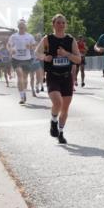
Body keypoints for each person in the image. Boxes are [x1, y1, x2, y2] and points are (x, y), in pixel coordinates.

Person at [35, 14, 82, 144]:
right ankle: (53, 121)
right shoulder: (47, 39)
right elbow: (36, 53)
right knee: (58, 103)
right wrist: (45, 57)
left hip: (67, 77)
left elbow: (78, 59)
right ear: (53, 24)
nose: (61, 25)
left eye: (63, 23)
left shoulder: (70, 40)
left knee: (65, 108)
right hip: (53, 76)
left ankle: (61, 132)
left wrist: (66, 54)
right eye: (58, 23)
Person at [8, 20, 37, 104]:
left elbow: (34, 46)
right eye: (20, 27)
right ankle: (21, 96)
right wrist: (11, 50)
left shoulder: (30, 36)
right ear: (18, 27)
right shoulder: (13, 36)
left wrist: (30, 46)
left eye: (23, 27)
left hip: (27, 59)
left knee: (24, 78)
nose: (22, 28)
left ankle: (24, 93)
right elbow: (9, 45)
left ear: (25, 27)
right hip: (16, 59)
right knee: (20, 76)